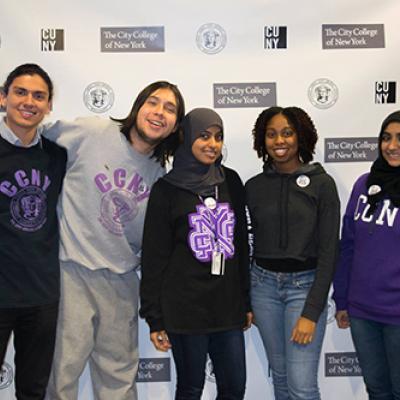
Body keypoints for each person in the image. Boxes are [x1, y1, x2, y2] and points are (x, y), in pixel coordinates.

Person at [44, 81, 185, 400]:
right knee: (62, 373)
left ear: (175, 125)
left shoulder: (160, 174)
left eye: (170, 109)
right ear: (138, 106)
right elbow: (35, 138)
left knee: (119, 379)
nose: (159, 112)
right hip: (72, 272)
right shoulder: (92, 132)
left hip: (122, 281)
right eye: (153, 102)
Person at [140, 108, 251, 400]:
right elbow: (154, 258)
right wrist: (155, 318)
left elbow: (241, 245)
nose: (212, 144)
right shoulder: (166, 190)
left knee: (234, 388)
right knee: (190, 388)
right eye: (203, 136)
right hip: (185, 308)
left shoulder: (232, 182)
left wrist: (245, 300)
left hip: (227, 305)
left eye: (217, 137)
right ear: (186, 138)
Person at [246, 106, 340, 400]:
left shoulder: (322, 184)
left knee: (302, 386)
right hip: (263, 289)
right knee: (283, 380)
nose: (279, 140)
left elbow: (329, 251)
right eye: (271, 134)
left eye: (287, 132)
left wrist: (311, 311)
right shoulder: (253, 187)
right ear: (263, 141)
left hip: (305, 288)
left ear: (301, 136)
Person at [0, 63, 66, 399]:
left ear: (49, 105)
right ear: (3, 98)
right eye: (20, 92)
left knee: (33, 390)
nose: (29, 101)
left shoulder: (57, 156)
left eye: (39, 96)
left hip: (41, 295)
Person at [333, 111, 400, 400]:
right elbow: (348, 244)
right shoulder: (364, 184)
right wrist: (342, 299)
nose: (392, 145)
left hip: (397, 313)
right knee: (377, 390)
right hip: (362, 311)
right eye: (386, 138)